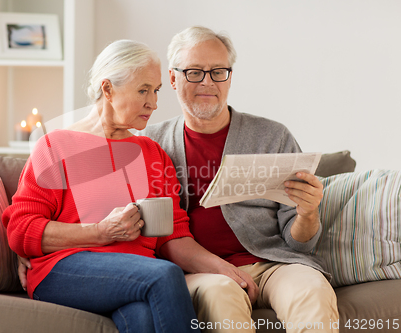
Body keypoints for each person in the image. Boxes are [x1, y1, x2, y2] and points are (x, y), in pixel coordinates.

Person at [139, 26, 339, 333]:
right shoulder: (152, 143)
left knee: (311, 289)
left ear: (230, 77)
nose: (208, 82)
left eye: (218, 71)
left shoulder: (272, 136)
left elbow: (301, 244)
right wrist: (223, 270)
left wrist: (307, 212)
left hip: (273, 263)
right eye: (194, 72)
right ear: (173, 78)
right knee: (221, 297)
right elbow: (158, 235)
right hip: (202, 273)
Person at [3, 39, 202, 333]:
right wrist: (100, 232)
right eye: (143, 90)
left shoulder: (152, 153)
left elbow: (174, 235)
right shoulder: (56, 146)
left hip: (136, 275)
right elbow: (21, 229)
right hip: (66, 268)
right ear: (108, 89)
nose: (154, 103)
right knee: (164, 276)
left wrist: (227, 271)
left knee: (144, 318)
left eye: (156, 90)